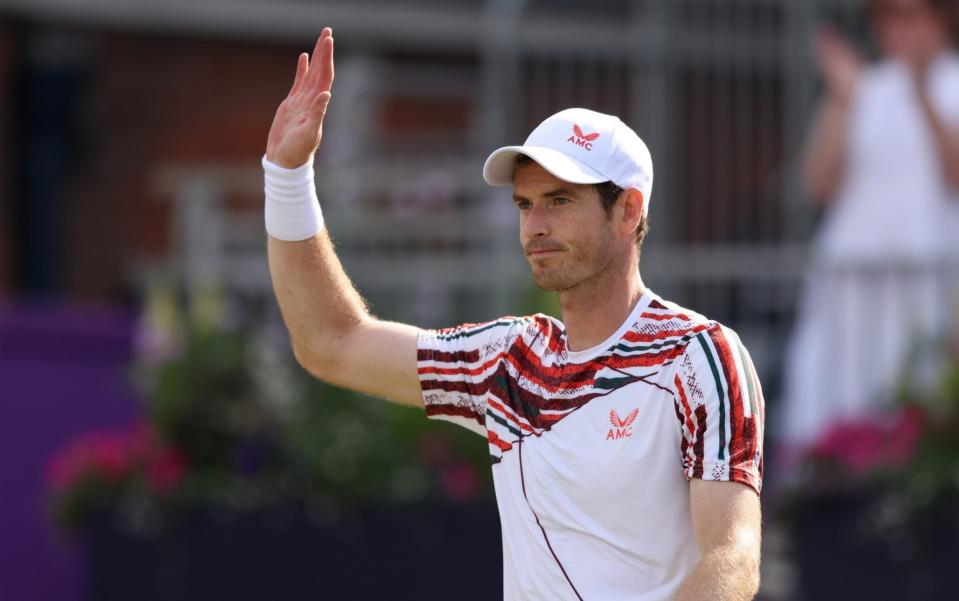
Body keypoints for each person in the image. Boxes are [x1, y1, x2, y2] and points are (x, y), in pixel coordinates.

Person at [264, 28, 764, 601]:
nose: (535, 227)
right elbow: (330, 342)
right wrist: (286, 177)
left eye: (559, 201)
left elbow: (733, 560)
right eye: (525, 205)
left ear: (629, 210)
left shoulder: (700, 355)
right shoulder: (508, 360)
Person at [781, 0, 959, 449]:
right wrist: (842, 99)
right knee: (841, 392)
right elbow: (817, 183)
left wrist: (921, 94)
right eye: (887, 18)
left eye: (910, 16)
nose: (898, 29)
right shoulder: (863, 89)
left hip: (928, 277)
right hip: (853, 279)